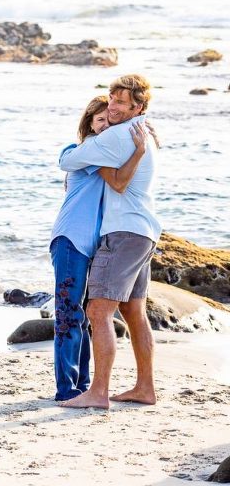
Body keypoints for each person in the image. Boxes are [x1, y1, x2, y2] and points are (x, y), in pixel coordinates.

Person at [58, 74, 161, 409]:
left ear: (138, 107)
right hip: (144, 231)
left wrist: (93, 138)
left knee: (97, 310)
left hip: (123, 233)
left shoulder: (117, 135)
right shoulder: (141, 130)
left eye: (121, 103)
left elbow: (68, 161)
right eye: (111, 100)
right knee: (134, 312)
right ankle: (145, 388)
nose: (113, 107)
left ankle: (98, 392)